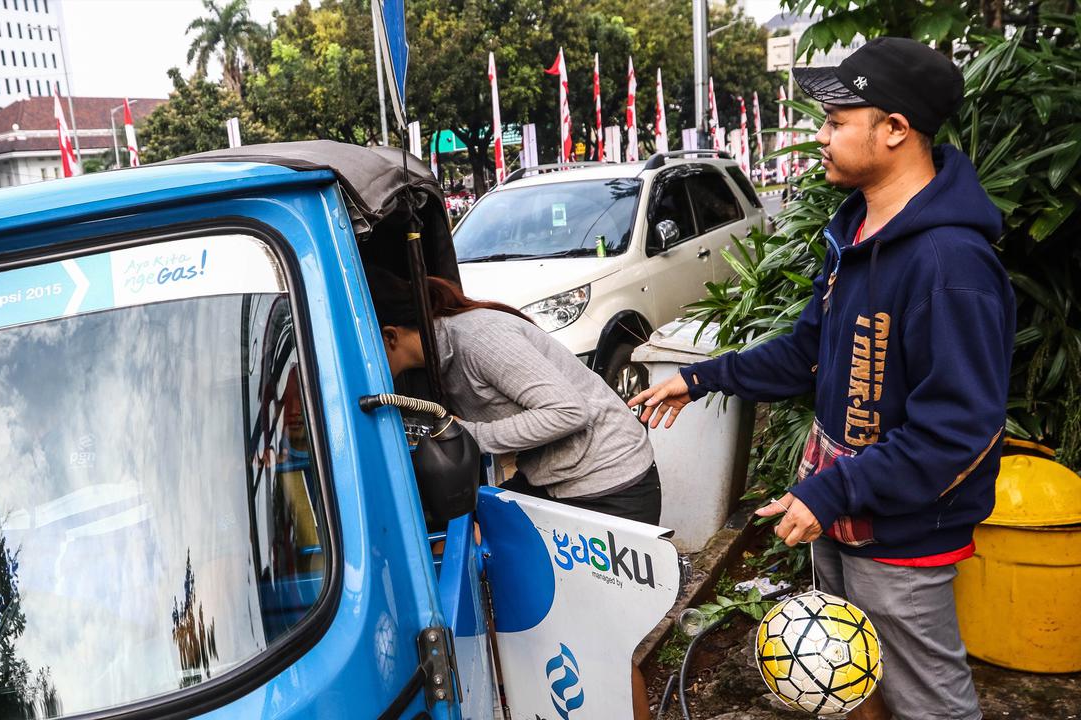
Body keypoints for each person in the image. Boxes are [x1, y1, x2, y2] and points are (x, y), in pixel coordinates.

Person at [631, 37, 1013, 720]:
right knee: (853, 678)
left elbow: (958, 429)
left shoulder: (951, 263)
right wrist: (700, 379)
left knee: (928, 700)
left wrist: (834, 489)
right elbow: (811, 349)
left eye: (838, 122)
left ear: (895, 130)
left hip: (903, 530)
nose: (822, 137)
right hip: (841, 509)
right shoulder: (856, 228)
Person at [365, 266, 660, 719]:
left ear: (388, 336)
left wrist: (472, 437)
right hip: (555, 478)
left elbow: (567, 410)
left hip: (608, 478)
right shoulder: (436, 361)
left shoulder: (477, 338)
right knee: (544, 618)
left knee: (599, 639)